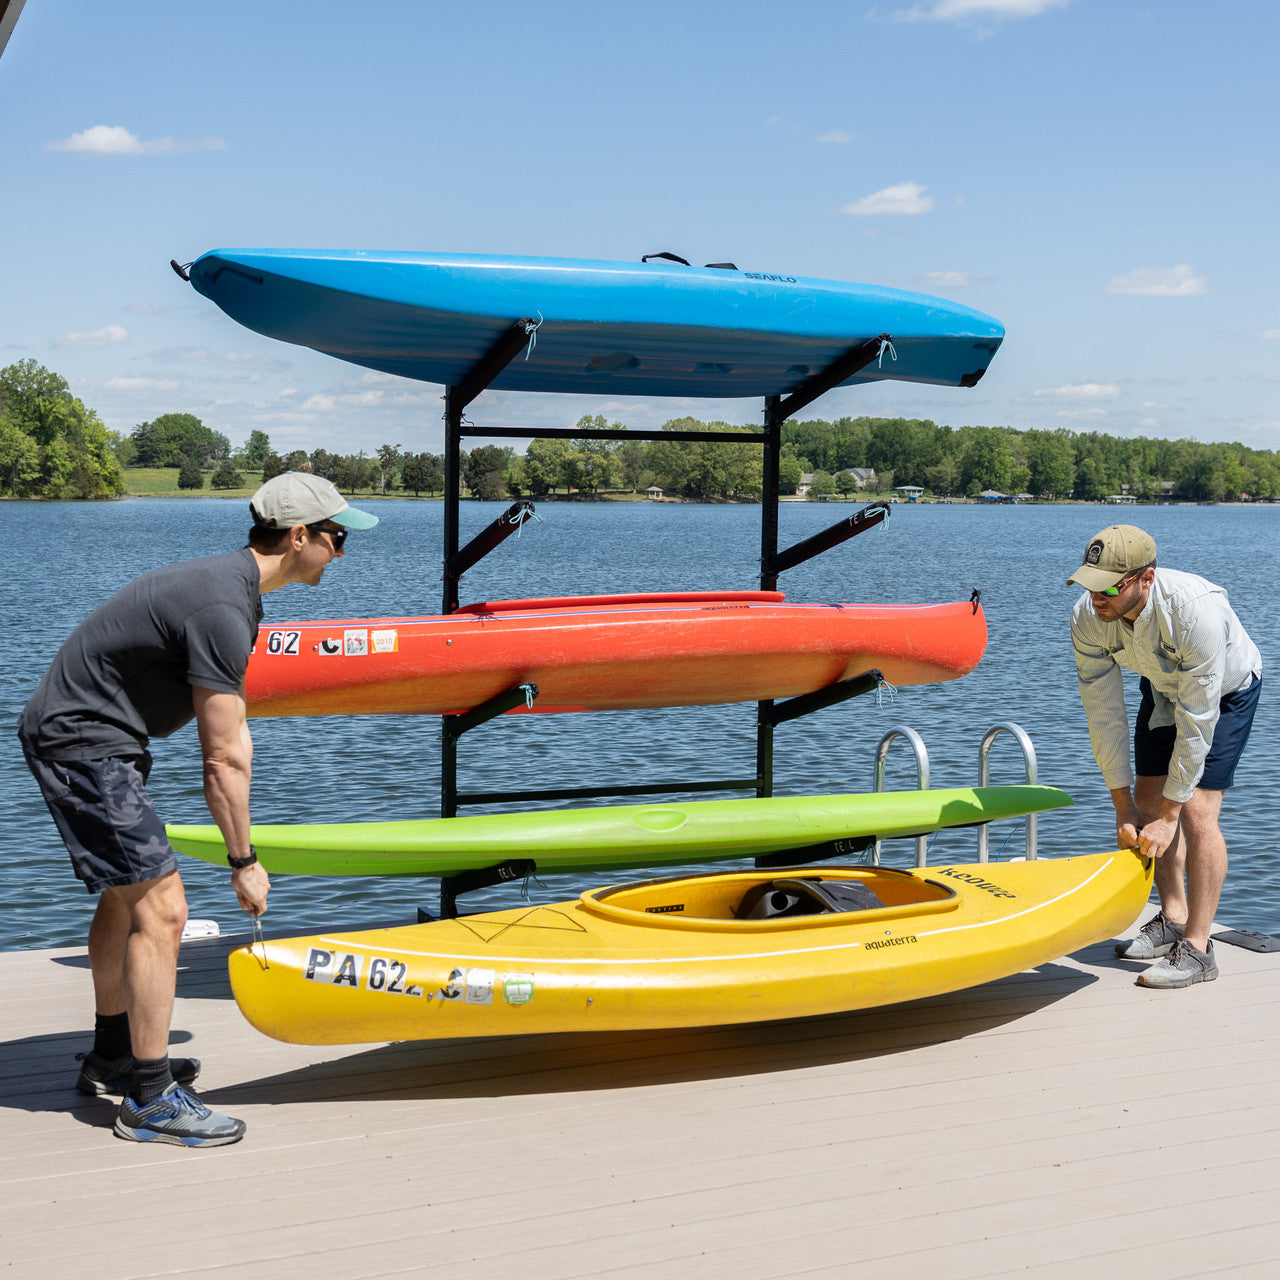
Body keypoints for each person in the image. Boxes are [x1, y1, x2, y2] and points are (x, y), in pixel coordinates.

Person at [18, 472, 378, 1145]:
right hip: (84, 742)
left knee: (127, 898)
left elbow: (231, 730)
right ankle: (150, 1099)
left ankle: (113, 1055)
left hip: (94, 736)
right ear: (299, 536)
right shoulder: (221, 604)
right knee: (165, 909)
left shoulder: (230, 591)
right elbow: (221, 759)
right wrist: (244, 860)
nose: (341, 550)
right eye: (336, 537)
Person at [1067, 524, 1262, 989]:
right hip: (1161, 686)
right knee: (1146, 799)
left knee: (1194, 810)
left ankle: (1198, 948)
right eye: (1090, 583)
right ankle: (1172, 917)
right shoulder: (1088, 618)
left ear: (1146, 579)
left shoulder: (1194, 613)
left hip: (1224, 692)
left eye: (1110, 586)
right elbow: (1103, 713)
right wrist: (1123, 805)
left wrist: (1172, 815)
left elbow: (1198, 717)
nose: (1098, 596)